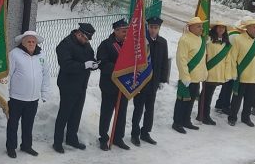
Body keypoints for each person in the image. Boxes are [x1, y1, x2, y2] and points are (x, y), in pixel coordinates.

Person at [53, 23, 97, 154]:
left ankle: (72, 138)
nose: (86, 41)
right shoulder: (65, 44)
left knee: (76, 113)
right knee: (64, 113)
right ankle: (57, 142)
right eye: (85, 38)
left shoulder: (85, 43)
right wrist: (84, 65)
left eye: (88, 39)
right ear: (78, 34)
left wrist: (94, 63)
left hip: (81, 84)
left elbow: (90, 56)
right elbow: (66, 65)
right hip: (68, 84)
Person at [6, 30, 50, 158]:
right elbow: (8, 75)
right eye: (29, 41)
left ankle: (26, 145)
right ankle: (11, 147)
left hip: (33, 99)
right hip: (16, 98)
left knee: (28, 124)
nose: (31, 44)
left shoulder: (41, 56)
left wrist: (44, 93)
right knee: (13, 124)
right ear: (23, 42)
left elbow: (45, 75)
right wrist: (5, 94)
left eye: (33, 42)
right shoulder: (14, 54)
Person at [132, 17, 169, 146]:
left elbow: (164, 62)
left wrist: (162, 80)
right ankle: (135, 134)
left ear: (159, 29)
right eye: (151, 27)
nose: (153, 30)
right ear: (147, 27)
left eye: (156, 28)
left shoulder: (162, 42)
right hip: (142, 82)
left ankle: (145, 132)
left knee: (150, 109)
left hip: (154, 82)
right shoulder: (142, 41)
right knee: (138, 108)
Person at [97, 20, 130, 151]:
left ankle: (118, 138)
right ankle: (103, 138)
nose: (126, 33)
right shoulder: (106, 45)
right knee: (106, 113)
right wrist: (119, 68)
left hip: (124, 85)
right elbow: (102, 63)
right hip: (109, 85)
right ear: (115, 31)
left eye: (127, 31)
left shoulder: (129, 45)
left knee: (121, 113)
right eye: (123, 31)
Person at [229, 17, 255, 127]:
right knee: (236, 99)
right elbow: (233, 58)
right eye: (253, 27)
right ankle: (232, 117)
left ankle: (246, 118)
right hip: (241, 76)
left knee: (250, 99)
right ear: (247, 28)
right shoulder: (239, 39)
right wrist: (234, 73)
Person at [172, 17, 207, 134]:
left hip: (197, 78)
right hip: (187, 77)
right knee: (182, 100)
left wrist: (204, 73)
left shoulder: (201, 39)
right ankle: (177, 122)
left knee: (191, 100)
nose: (201, 28)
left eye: (201, 26)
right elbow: (181, 59)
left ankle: (186, 120)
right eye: (198, 26)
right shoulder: (185, 40)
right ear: (191, 27)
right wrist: (185, 76)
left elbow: (202, 59)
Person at [199, 20, 235, 126]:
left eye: (223, 28)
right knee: (206, 95)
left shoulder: (226, 43)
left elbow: (227, 60)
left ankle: (203, 114)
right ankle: (204, 115)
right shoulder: (208, 40)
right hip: (209, 71)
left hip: (218, 73)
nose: (221, 29)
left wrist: (227, 74)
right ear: (215, 28)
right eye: (219, 27)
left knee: (208, 94)